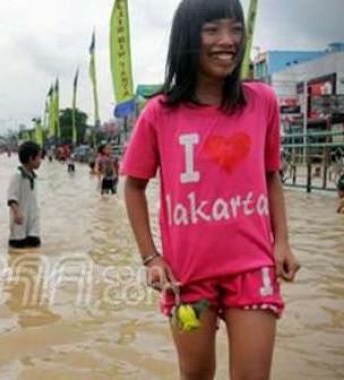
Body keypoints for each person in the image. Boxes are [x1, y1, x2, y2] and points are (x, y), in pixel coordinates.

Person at [121, 1, 301, 379]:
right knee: (196, 375)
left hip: (253, 268)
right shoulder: (158, 113)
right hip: (187, 276)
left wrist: (282, 240)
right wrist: (151, 258)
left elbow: (271, 175)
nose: (228, 41)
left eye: (235, 29)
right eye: (213, 30)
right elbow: (134, 186)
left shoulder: (262, 102)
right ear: (188, 37)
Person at [7, 141, 42, 249]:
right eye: (39, 157)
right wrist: (17, 213)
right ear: (31, 158)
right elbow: (11, 197)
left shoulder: (34, 177)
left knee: (34, 246)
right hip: (20, 220)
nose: (41, 161)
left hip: (33, 220)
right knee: (19, 247)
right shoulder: (17, 176)